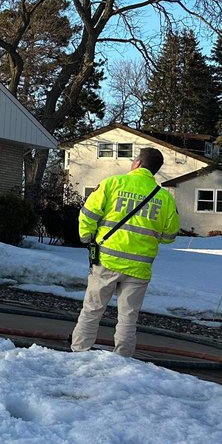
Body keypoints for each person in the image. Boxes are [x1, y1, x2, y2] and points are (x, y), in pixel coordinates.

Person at [71, 146, 180, 357]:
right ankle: (122, 360)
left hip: (106, 260)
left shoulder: (113, 183)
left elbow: (88, 213)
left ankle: (79, 352)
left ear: (137, 163)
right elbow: (170, 236)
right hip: (139, 268)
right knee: (128, 318)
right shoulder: (164, 198)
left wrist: (86, 237)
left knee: (92, 310)